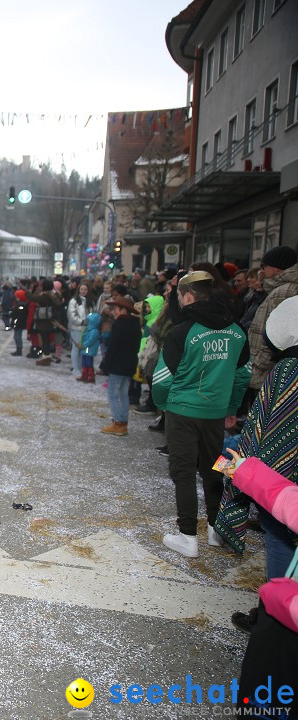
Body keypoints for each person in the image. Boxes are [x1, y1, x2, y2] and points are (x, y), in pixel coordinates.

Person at [152, 270, 250, 558]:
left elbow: (161, 379)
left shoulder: (183, 332)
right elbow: (243, 374)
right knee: (215, 467)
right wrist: (231, 408)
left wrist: (164, 405)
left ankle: (187, 536)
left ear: (189, 296)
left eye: (180, 296)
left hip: (183, 410)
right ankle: (218, 530)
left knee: (182, 471)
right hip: (216, 412)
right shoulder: (236, 331)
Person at [230, 296, 298, 633]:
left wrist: (236, 470)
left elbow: (261, 428)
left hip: (284, 481)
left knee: (278, 537)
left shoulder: (285, 371)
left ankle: (273, 615)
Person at [217, 450, 298, 717]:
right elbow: (292, 504)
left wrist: (283, 599)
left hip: (288, 624)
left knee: (269, 694)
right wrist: (246, 471)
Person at [246, 245, 297, 406]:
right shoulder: (278, 289)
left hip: (266, 369)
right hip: (265, 366)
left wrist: (259, 364)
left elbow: (278, 333)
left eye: (264, 266)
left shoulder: (285, 291)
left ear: (276, 268)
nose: (262, 271)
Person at [99, 295, 140, 436]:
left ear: (123, 310)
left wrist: (105, 364)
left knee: (112, 394)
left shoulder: (120, 324)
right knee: (123, 394)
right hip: (129, 364)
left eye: (116, 309)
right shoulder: (135, 324)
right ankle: (123, 422)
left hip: (117, 365)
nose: (114, 311)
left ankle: (118, 423)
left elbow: (113, 347)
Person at [67, 283, 90, 373]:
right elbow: (71, 315)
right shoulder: (74, 301)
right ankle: (76, 368)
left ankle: (81, 367)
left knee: (83, 349)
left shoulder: (89, 301)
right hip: (76, 328)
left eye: (85, 289)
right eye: (82, 289)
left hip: (87, 329)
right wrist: (81, 322)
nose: (83, 291)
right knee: (76, 348)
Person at [75, 312, 101, 384]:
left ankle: (90, 375)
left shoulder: (94, 331)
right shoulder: (87, 329)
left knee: (88, 362)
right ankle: (85, 374)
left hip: (88, 349)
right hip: (86, 349)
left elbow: (90, 341)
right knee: (84, 361)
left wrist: (82, 346)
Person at [9, 289, 29, 356]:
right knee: (17, 336)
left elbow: (17, 314)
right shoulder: (22, 304)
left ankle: (19, 350)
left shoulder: (21, 305)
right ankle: (18, 350)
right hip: (18, 323)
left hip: (19, 323)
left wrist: (11, 315)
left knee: (17, 337)